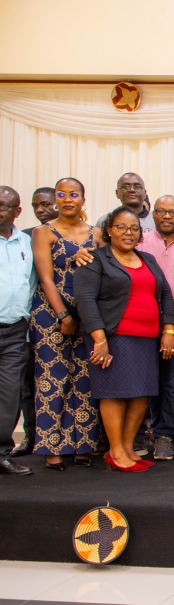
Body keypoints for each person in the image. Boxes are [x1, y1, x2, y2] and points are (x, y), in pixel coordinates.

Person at [75, 206, 174, 472]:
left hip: (147, 338)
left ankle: (129, 447)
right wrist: (99, 338)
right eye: (121, 227)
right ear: (109, 230)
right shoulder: (95, 260)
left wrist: (168, 330)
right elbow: (85, 300)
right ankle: (116, 451)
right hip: (113, 337)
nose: (128, 233)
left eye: (134, 228)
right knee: (114, 394)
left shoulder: (148, 260)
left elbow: (165, 295)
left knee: (142, 394)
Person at [31, 178, 104, 470]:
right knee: (53, 379)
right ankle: (52, 448)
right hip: (51, 315)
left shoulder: (96, 234)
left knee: (84, 379)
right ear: (56, 200)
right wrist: (64, 315)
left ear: (83, 199)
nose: (67, 199)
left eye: (74, 194)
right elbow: (46, 279)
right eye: (61, 194)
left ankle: (82, 445)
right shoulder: (43, 232)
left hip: (88, 313)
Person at [137, 195, 174, 460]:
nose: (167, 216)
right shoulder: (140, 240)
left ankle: (165, 435)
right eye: (161, 211)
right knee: (149, 380)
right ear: (153, 215)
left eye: (172, 212)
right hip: (145, 321)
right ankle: (153, 430)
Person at [13, 187, 57, 459]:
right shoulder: (26, 239)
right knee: (28, 385)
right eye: (35, 205)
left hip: (62, 319)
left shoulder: (75, 236)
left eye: (46, 204)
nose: (41, 209)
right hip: (30, 320)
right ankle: (31, 437)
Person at [0, 186, 34, 475]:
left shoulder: (26, 242)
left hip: (14, 332)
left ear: (17, 211)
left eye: (4, 206)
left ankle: (1, 453)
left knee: (10, 396)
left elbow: (31, 285)